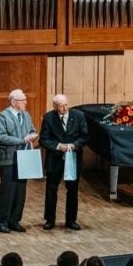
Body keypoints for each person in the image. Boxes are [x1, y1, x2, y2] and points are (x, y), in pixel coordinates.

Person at [40, 93, 88, 231]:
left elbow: (84, 137)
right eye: (61, 106)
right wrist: (57, 146)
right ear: (55, 106)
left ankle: (71, 220)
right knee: (51, 190)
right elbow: (44, 139)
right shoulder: (48, 118)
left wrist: (74, 145)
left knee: (72, 190)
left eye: (66, 104)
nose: (65, 108)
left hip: (73, 157)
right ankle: (50, 220)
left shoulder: (78, 116)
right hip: (55, 158)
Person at [0, 88, 39, 233]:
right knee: (8, 190)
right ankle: (3, 221)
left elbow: (31, 130)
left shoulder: (26, 115)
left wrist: (33, 135)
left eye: (25, 100)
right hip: (9, 158)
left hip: (24, 157)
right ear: (14, 102)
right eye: (23, 100)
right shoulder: (3, 116)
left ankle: (15, 220)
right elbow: (2, 136)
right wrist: (21, 139)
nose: (26, 102)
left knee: (20, 190)